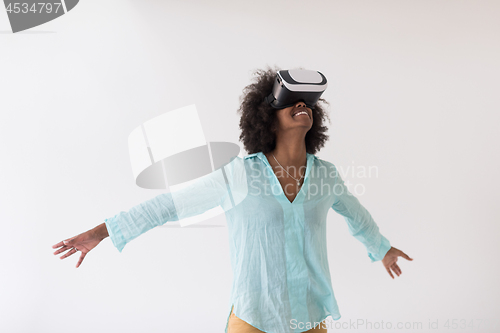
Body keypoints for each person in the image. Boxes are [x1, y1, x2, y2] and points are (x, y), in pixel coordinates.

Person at [52, 66, 413, 333]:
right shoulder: (238, 175)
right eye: (292, 102)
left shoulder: (326, 176)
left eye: (308, 104)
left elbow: (357, 216)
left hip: (310, 319)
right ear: (267, 120)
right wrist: (101, 232)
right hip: (252, 319)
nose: (302, 106)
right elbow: (168, 206)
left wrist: (382, 248)